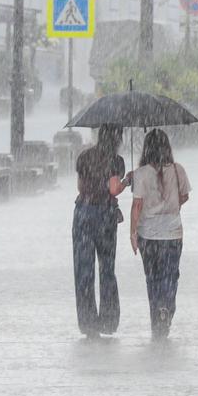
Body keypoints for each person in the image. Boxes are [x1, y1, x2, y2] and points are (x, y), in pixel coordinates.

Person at [130, 128, 191, 339]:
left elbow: (137, 205)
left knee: (152, 277)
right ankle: (167, 309)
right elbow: (184, 197)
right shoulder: (177, 170)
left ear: (146, 149)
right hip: (173, 232)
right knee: (171, 275)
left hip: (148, 234)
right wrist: (170, 204)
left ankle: (156, 315)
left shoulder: (141, 173)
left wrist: (132, 233)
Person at [73, 123, 128, 338]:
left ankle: (88, 325)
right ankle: (107, 320)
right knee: (107, 269)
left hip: (83, 214)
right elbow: (114, 188)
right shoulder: (116, 161)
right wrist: (126, 182)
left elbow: (80, 187)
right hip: (104, 214)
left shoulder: (84, 157)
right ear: (117, 138)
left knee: (83, 271)